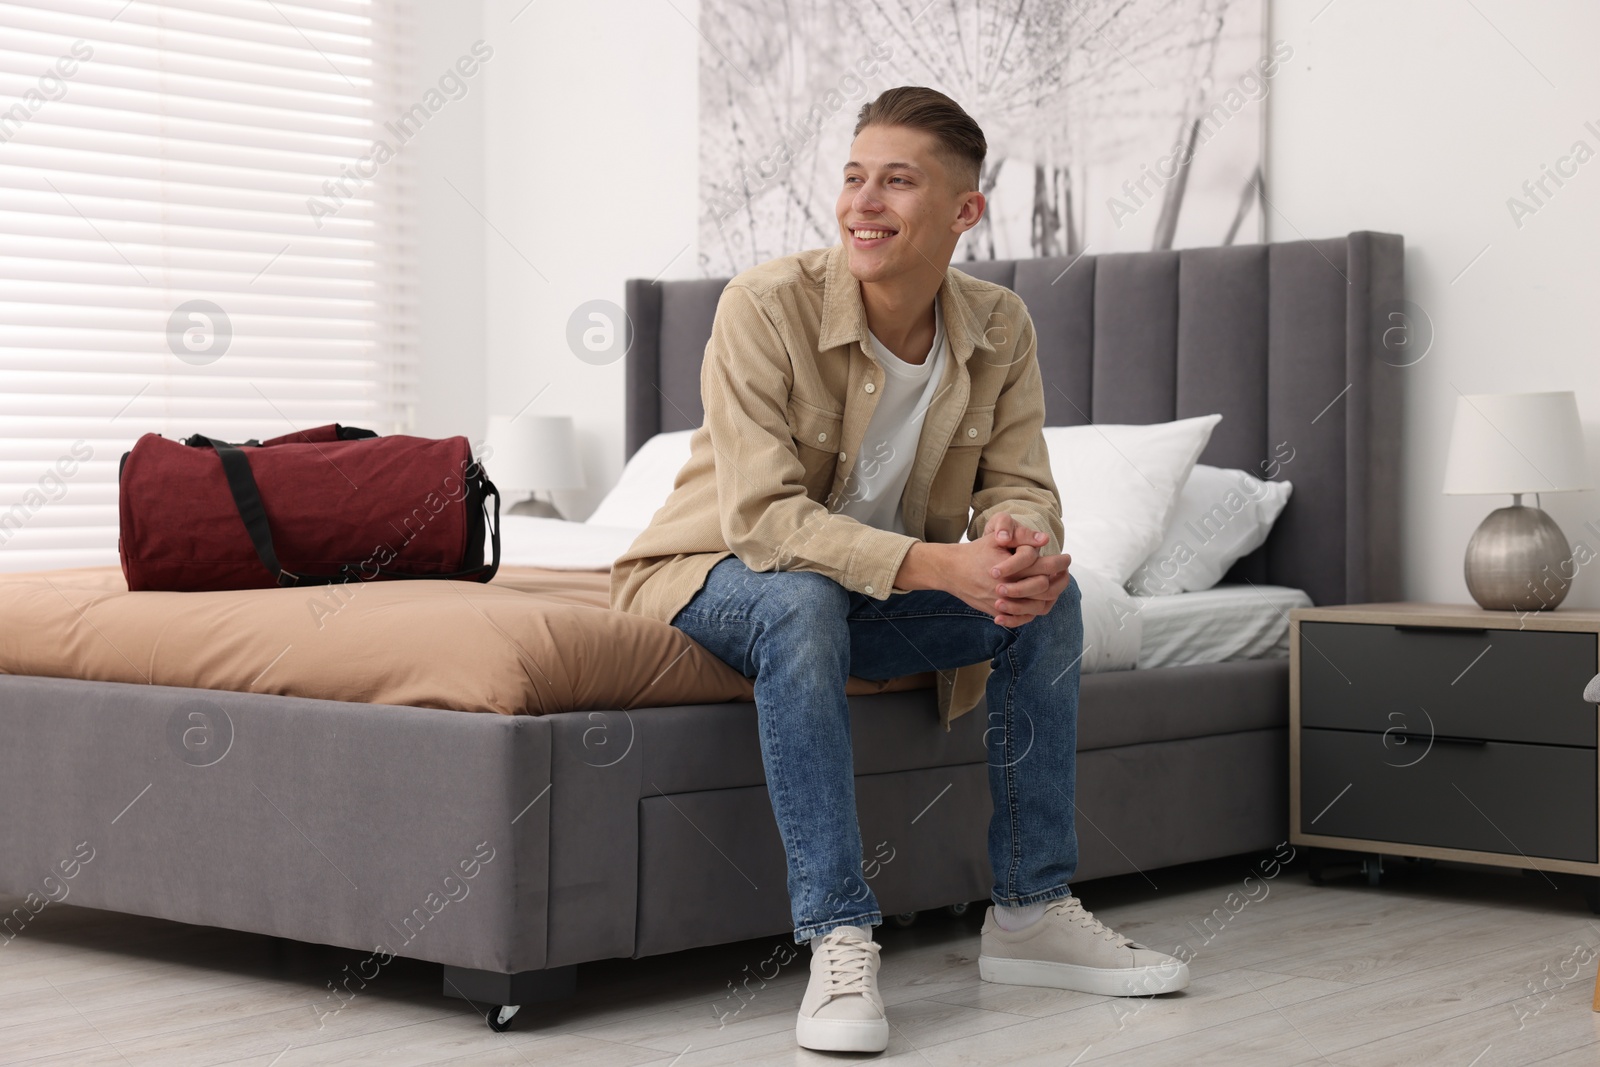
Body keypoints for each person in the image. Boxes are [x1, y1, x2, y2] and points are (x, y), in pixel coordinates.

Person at [611, 85, 1187, 1054]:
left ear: (965, 209)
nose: (861, 203)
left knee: (1051, 604)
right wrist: (934, 563)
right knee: (798, 598)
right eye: (851, 177)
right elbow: (759, 517)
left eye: (896, 181)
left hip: (864, 590)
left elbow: (1020, 481)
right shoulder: (765, 304)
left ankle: (1031, 909)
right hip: (714, 566)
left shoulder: (998, 325)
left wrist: (1012, 544)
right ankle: (837, 932)